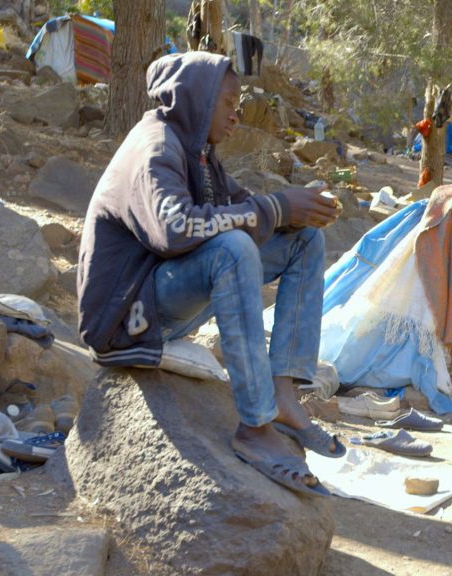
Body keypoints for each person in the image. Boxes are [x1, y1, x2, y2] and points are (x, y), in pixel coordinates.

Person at [77, 52, 343, 497]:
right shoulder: (156, 147)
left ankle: (282, 395)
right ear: (194, 99)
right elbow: (175, 229)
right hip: (127, 315)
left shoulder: (199, 155)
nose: (236, 115)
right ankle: (254, 427)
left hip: (165, 294)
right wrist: (274, 208)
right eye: (228, 102)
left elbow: (237, 208)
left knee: (303, 242)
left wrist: (295, 212)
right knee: (233, 249)